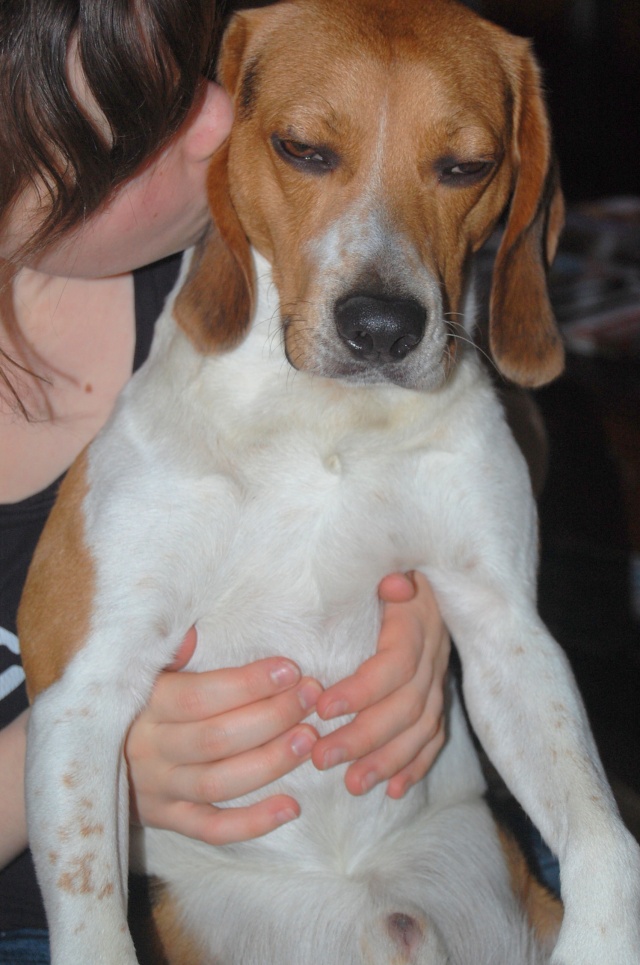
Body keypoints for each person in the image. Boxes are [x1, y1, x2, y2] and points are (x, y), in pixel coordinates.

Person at [0, 3, 450, 961]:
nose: (218, 125)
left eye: (201, 71)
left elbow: (497, 419)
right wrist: (84, 762)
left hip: (390, 846)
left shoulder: (253, 257)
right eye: (127, 130)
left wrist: (437, 597)